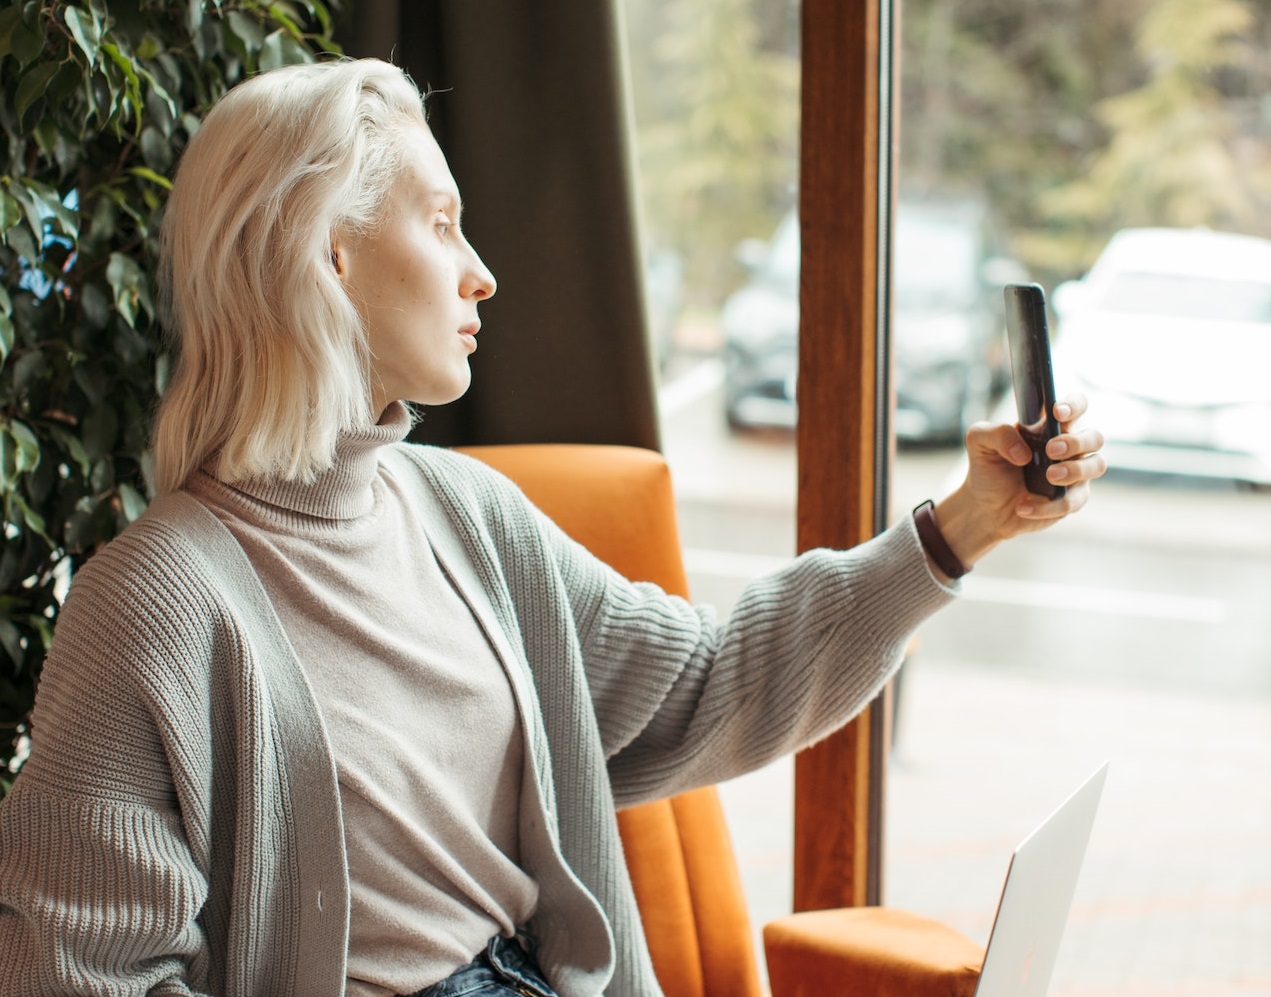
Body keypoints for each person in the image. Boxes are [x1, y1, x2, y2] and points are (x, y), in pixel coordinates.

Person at [0, 58, 1106, 997]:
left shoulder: (465, 515)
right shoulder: (149, 606)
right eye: (440, 226)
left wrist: (964, 524)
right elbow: (78, 972)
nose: (481, 273)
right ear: (326, 252)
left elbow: (709, 683)